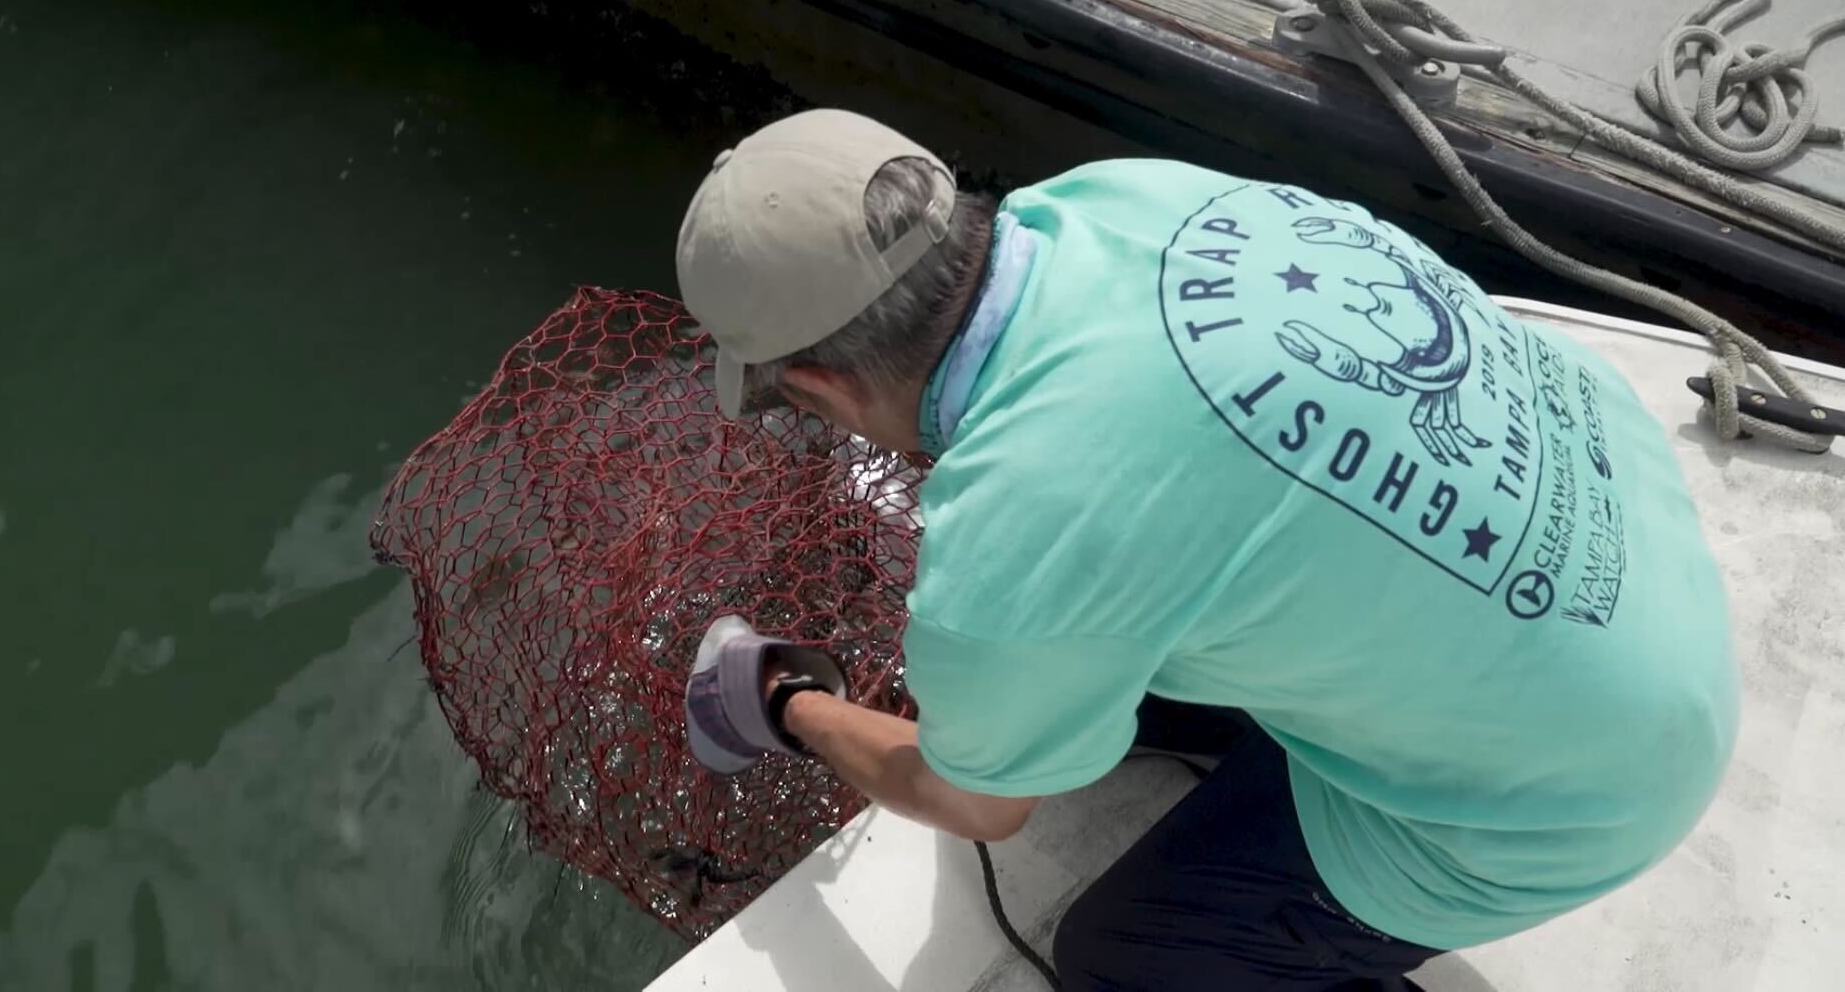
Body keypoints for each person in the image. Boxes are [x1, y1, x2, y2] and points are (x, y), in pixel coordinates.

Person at [674, 109, 1738, 991]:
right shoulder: (1118, 196)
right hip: (1642, 565)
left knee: (1123, 959)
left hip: (1584, 790)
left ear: (814, 386)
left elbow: (978, 806)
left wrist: (784, 700)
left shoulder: (1022, 520)